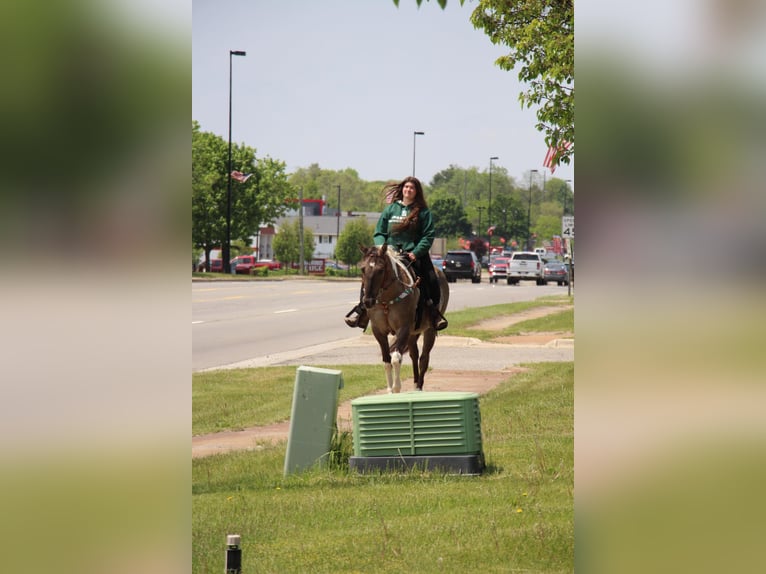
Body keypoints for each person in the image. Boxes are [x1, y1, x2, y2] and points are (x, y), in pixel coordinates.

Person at [345, 176, 448, 331]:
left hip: (414, 254)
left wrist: (416, 252)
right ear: (402, 189)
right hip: (390, 253)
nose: (408, 190)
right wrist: (381, 248)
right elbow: (379, 232)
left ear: (416, 192)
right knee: (370, 275)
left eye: (412, 188)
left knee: (432, 278)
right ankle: (362, 311)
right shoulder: (391, 209)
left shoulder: (423, 212)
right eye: (406, 187)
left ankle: (434, 313)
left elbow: (428, 235)